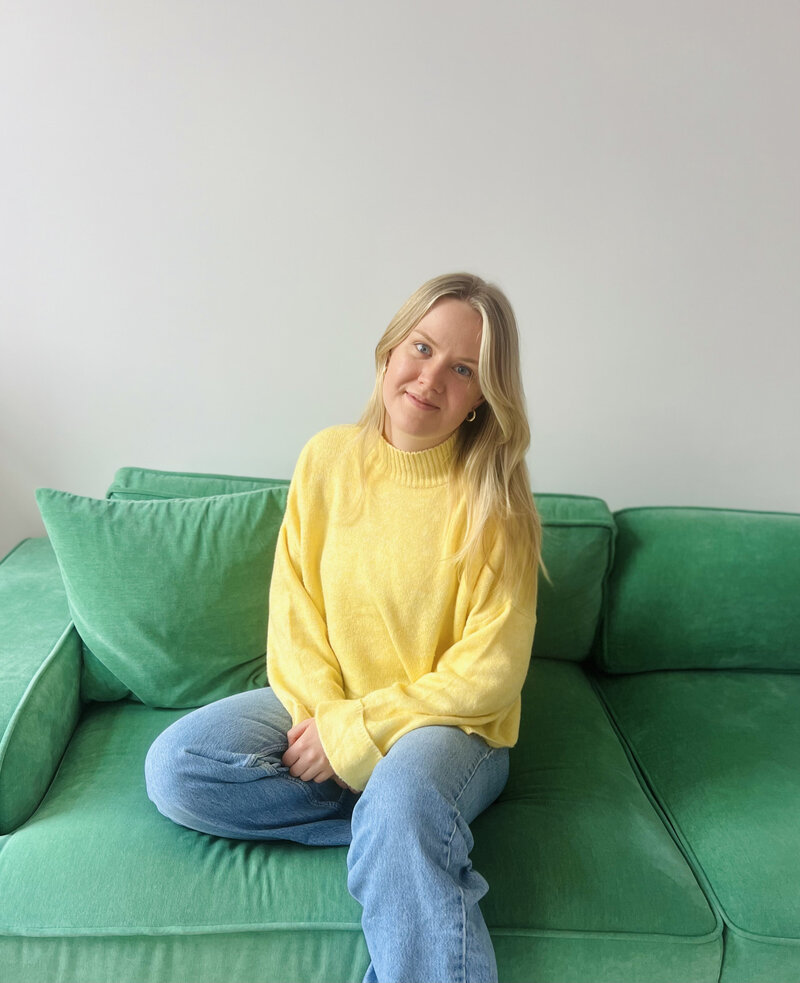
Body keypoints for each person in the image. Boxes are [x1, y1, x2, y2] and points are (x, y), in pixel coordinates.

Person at [145, 272, 544, 983]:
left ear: (484, 395)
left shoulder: (496, 504)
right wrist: (329, 723)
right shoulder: (326, 459)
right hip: (323, 707)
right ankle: (402, 832)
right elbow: (294, 615)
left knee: (403, 793)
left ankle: (403, 818)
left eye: (462, 369)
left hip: (453, 729)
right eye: (421, 348)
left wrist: (359, 735)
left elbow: (490, 673)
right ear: (389, 350)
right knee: (177, 766)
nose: (430, 378)